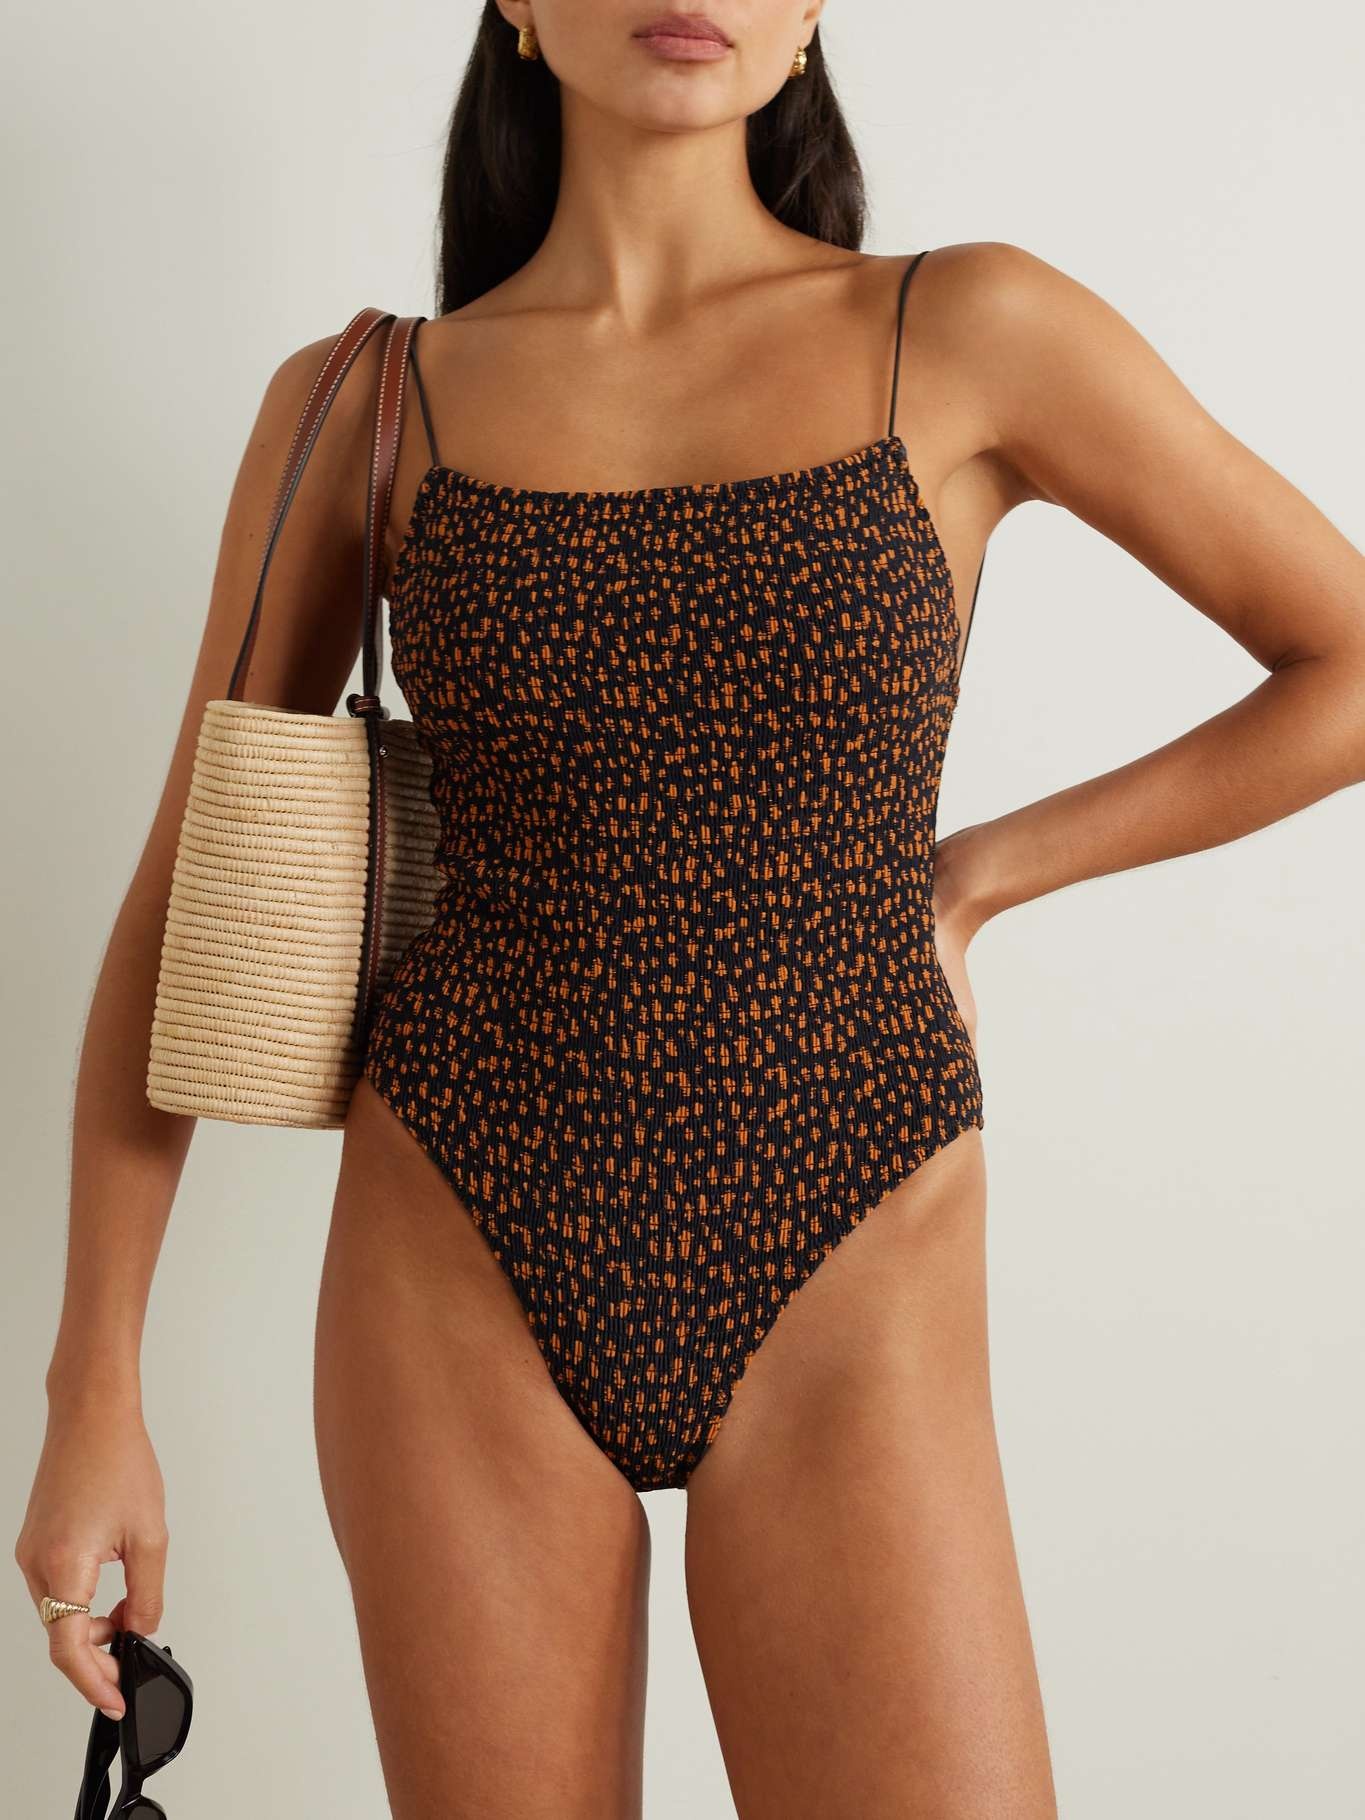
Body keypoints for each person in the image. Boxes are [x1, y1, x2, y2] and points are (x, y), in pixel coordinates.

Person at [16, 5, 1365, 1816]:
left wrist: (976, 877)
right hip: (457, 1252)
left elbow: (1344, 661)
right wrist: (91, 1392)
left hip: (855, 1236)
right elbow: (191, 890)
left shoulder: (963, 329)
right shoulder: (365, 403)